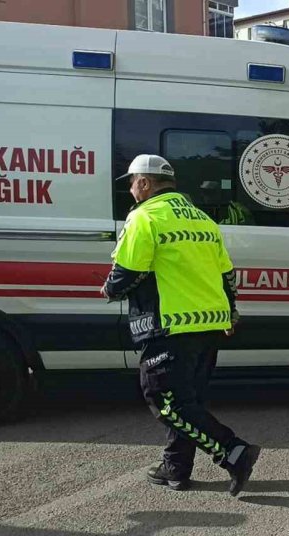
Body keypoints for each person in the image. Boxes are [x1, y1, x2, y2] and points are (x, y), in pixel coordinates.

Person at [101, 155, 260, 496]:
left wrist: (110, 289)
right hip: (209, 325)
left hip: (169, 325)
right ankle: (176, 467)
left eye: (132, 183)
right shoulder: (203, 220)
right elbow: (227, 275)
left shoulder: (145, 217)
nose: (131, 190)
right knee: (187, 401)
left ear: (145, 183)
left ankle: (234, 452)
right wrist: (230, 312)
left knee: (165, 401)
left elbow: (126, 273)